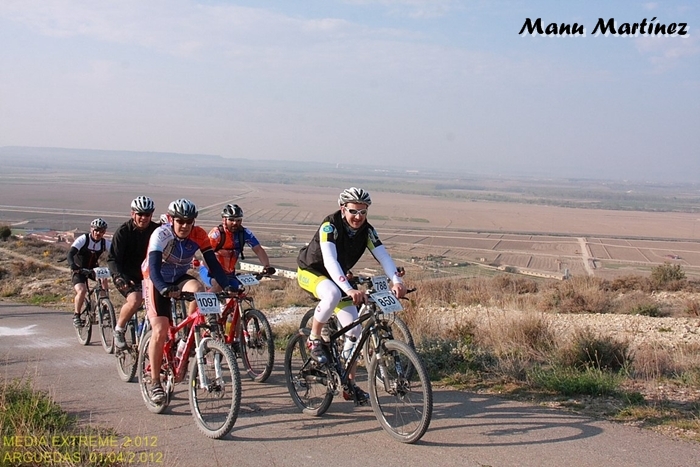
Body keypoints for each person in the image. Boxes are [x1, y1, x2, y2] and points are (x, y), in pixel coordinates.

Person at [296, 187, 406, 404]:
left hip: (338, 277)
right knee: (331, 293)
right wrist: (349, 289)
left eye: (363, 212)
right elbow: (330, 260)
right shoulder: (330, 226)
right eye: (353, 211)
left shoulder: (367, 231)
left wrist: (397, 281)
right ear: (343, 208)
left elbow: (383, 256)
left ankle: (349, 383)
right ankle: (313, 339)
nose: (358, 217)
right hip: (312, 271)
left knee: (355, 331)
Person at [141, 199, 232, 403]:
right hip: (156, 279)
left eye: (188, 221)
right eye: (180, 221)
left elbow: (213, 265)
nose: (184, 225)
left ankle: (187, 334)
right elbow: (153, 268)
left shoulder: (198, 234)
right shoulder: (161, 234)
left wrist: (228, 285)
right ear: (172, 220)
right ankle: (155, 381)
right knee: (160, 329)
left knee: (198, 289)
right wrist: (163, 288)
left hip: (179, 277)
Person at [107, 196, 159, 350]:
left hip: (149, 275)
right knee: (135, 299)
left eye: (147, 214)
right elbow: (113, 259)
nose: (144, 218)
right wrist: (119, 276)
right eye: (140, 214)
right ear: (133, 214)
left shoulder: (156, 230)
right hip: (126, 275)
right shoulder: (123, 232)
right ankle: (119, 330)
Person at [207, 204, 275, 292]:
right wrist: (214, 271)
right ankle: (199, 300)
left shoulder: (244, 233)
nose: (235, 223)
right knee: (218, 285)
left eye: (238, 220)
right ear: (224, 220)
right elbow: (206, 254)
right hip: (210, 271)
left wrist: (267, 266)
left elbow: (258, 250)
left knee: (237, 291)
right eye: (231, 220)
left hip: (229, 272)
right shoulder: (216, 233)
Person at [67, 218, 111, 327]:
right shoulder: (83, 239)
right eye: (96, 230)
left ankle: (105, 307)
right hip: (79, 269)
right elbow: (70, 254)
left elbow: (116, 255)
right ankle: (77, 315)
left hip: (93, 268)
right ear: (91, 230)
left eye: (101, 231)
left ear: (104, 232)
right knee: (82, 291)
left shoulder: (104, 243)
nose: (98, 233)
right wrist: (73, 265)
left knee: (103, 278)